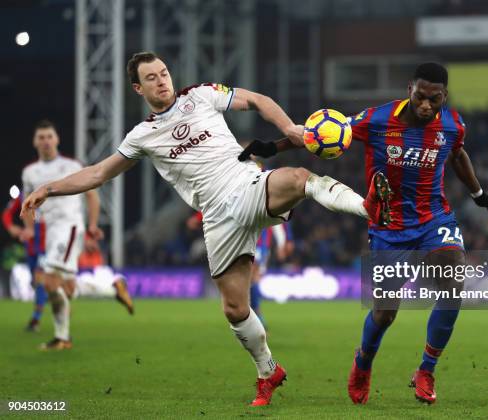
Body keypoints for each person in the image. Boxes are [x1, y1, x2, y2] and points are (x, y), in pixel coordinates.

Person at [21, 51, 389, 407]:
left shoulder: (200, 95)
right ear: (138, 89)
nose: (161, 80)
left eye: (163, 72)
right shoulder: (142, 136)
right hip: (215, 217)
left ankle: (366, 207)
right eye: (151, 77)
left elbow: (258, 99)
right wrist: (48, 189)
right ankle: (268, 371)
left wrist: (290, 128)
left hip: (246, 186)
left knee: (298, 179)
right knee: (235, 309)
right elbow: (99, 173)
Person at [342, 63, 488, 405]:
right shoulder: (377, 119)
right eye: (420, 96)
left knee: (453, 278)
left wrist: (480, 196)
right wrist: (277, 144)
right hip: (389, 227)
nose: (426, 105)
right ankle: (363, 363)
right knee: (385, 313)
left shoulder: (453, 124)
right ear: (409, 89)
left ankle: (426, 369)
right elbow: (330, 132)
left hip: (434, 220)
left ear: (443, 96)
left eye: (434, 99)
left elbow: (458, 154)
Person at [20, 119, 108, 350]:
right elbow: (28, 203)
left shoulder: (71, 165)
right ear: (34, 142)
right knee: (67, 287)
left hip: (69, 228)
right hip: (50, 232)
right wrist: (29, 228)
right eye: (41, 137)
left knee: (48, 280)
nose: (46, 141)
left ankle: (62, 337)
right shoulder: (30, 172)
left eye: (50, 136)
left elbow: (92, 194)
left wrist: (92, 225)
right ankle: (112, 286)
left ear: (57, 139)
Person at [2, 192, 47, 331]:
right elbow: (7, 214)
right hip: (31, 246)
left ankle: (36, 318)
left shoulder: (50, 191)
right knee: (35, 281)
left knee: (40, 279)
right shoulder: (24, 194)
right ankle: (55, 299)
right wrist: (11, 227)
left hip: (47, 245)